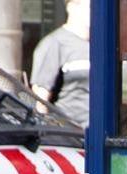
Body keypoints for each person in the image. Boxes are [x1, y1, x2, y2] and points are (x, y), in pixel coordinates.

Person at [30, 0, 90, 128]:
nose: (95, 12)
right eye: (90, 6)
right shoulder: (55, 44)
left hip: (98, 133)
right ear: (72, 7)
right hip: (69, 134)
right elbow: (41, 99)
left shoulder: (101, 46)